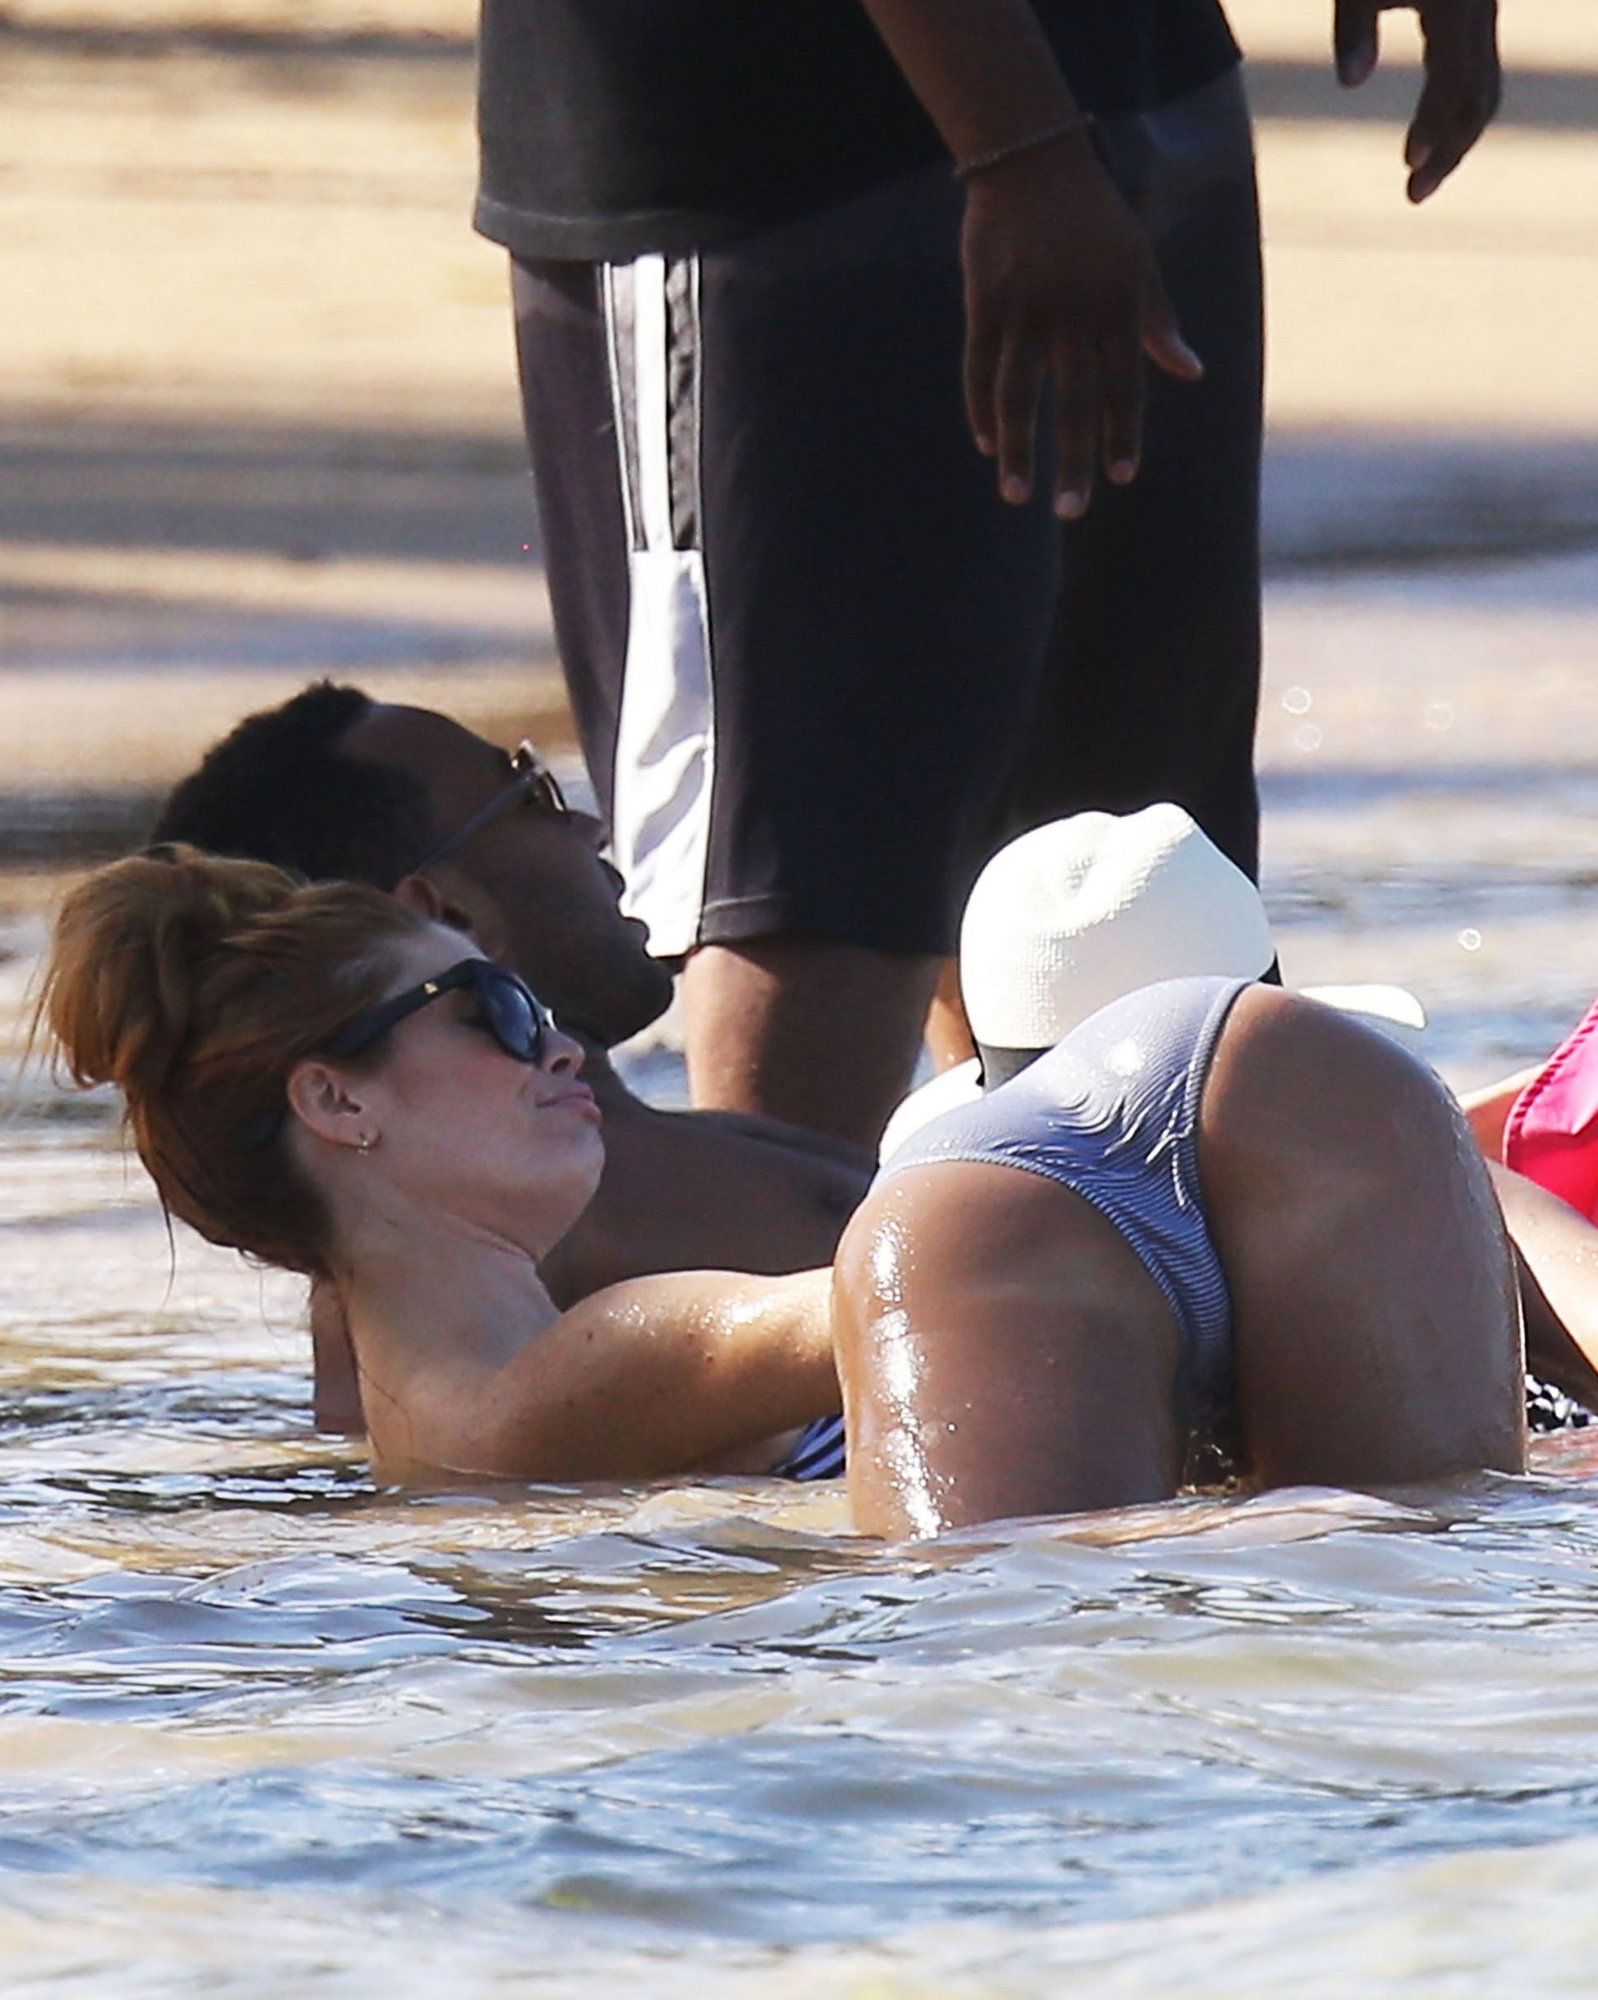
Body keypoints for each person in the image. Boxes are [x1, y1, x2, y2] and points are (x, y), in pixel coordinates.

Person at [486, 0, 1503, 1146]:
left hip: (1126, 77)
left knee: (1124, 873)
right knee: (817, 873)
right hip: (776, 149)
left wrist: (1036, 150)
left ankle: (1066, 1245)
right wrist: (1016, 152)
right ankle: (800, 1254)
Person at [40, 845, 1524, 1536]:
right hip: (1261, 1087)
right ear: (336, 1101)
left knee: (1039, 1679)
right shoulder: (493, 1401)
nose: (559, 1041)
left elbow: (883, 1299)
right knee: (1422, 1573)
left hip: (1157, 1143)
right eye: (490, 1006)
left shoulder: (492, 1411)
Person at [151, 682, 870, 1437]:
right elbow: (910, 1301)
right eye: (535, 796)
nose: (589, 825)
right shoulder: (504, 1224)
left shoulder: (525, 1203)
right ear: (444, 912)